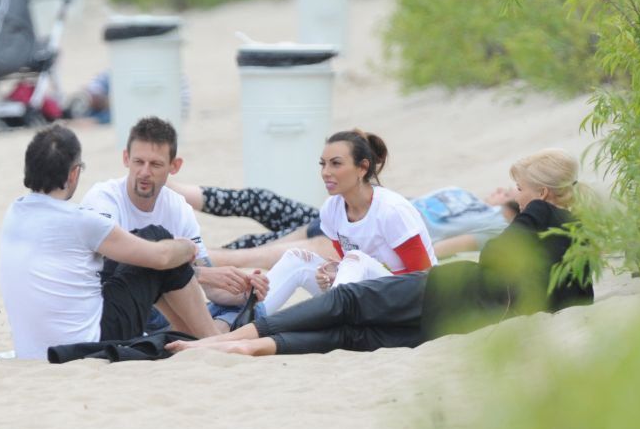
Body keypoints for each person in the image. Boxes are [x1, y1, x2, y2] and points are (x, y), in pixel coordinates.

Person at [166, 148, 594, 357]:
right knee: (355, 337)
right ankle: (247, 347)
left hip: (440, 291)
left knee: (348, 302)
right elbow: (577, 301)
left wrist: (533, 211)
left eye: (521, 189)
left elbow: (494, 260)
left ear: (541, 192)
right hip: (454, 321)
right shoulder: (578, 238)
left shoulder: (538, 215)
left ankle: (220, 343)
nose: (515, 196)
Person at [0, 124, 219, 360]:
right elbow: (160, 256)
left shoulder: (14, 212)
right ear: (73, 174)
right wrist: (188, 248)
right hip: (89, 344)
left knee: (127, 258)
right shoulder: (81, 221)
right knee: (157, 237)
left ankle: (188, 336)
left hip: (31, 351)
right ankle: (212, 338)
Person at [79, 116, 268, 332]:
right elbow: (114, 265)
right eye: (138, 162)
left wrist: (243, 289)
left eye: (156, 164)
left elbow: (209, 286)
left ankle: (189, 338)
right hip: (113, 304)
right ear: (126, 158)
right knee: (154, 237)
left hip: (162, 309)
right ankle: (206, 338)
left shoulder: (178, 207)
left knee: (254, 309)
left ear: (174, 166)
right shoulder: (103, 198)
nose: (144, 172)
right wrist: (201, 275)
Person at [256, 129, 437, 315]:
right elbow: (349, 267)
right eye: (323, 164)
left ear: (363, 168)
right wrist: (331, 275)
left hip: (406, 301)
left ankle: (330, 316)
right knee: (297, 258)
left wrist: (358, 277)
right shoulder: (331, 209)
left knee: (356, 259)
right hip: (360, 294)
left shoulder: (391, 210)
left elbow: (424, 278)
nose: (325, 172)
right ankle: (252, 315)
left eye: (336, 164)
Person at [168, 181, 519, 270]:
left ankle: (184, 259)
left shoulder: (495, 226)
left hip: (365, 235)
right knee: (259, 199)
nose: (500, 188)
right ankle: (171, 187)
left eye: (510, 187)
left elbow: (434, 252)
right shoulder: (464, 195)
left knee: (257, 250)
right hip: (343, 214)